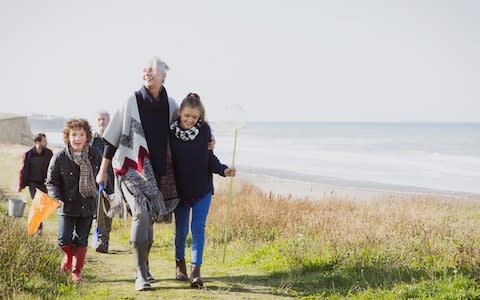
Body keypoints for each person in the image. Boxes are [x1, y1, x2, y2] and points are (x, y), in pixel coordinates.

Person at [96, 57, 181, 291]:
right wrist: (103, 171)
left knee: (150, 218)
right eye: (144, 70)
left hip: (158, 172)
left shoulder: (171, 105)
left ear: (164, 76)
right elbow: (111, 139)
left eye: (151, 70)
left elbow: (187, 128)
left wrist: (209, 138)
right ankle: (139, 275)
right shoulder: (130, 101)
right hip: (130, 168)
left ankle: (145, 265)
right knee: (141, 213)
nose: (147, 73)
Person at [170, 93, 236, 288]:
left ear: (200, 117)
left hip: (202, 190)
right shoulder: (170, 133)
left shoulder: (205, 131)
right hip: (180, 192)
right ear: (180, 112)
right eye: (187, 115)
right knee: (181, 231)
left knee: (198, 229)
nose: (190, 120)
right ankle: (179, 263)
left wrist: (223, 170)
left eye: (195, 117)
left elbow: (209, 159)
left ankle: (196, 270)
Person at [46, 119, 102, 284]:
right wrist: (57, 197)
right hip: (66, 205)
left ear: (87, 136)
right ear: (67, 137)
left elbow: (105, 175)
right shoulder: (60, 157)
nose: (77, 138)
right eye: (74, 135)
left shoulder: (95, 154)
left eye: (81, 135)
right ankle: (68, 257)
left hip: (88, 204)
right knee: (63, 239)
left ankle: (76, 273)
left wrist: (111, 194)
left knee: (81, 240)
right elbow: (51, 181)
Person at [18, 133, 53, 234]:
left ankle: (37, 226)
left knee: (42, 207)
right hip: (33, 184)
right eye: (44, 141)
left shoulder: (49, 153)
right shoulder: (29, 154)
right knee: (38, 205)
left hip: (45, 184)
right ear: (38, 142)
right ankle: (37, 228)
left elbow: (53, 168)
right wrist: (21, 185)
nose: (46, 142)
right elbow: (24, 171)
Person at [91, 111, 114, 253]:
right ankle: (101, 239)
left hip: (112, 181)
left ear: (109, 121)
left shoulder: (113, 139)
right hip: (94, 182)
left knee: (109, 212)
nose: (101, 122)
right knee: (97, 211)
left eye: (104, 119)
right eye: (99, 119)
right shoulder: (90, 140)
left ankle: (104, 237)